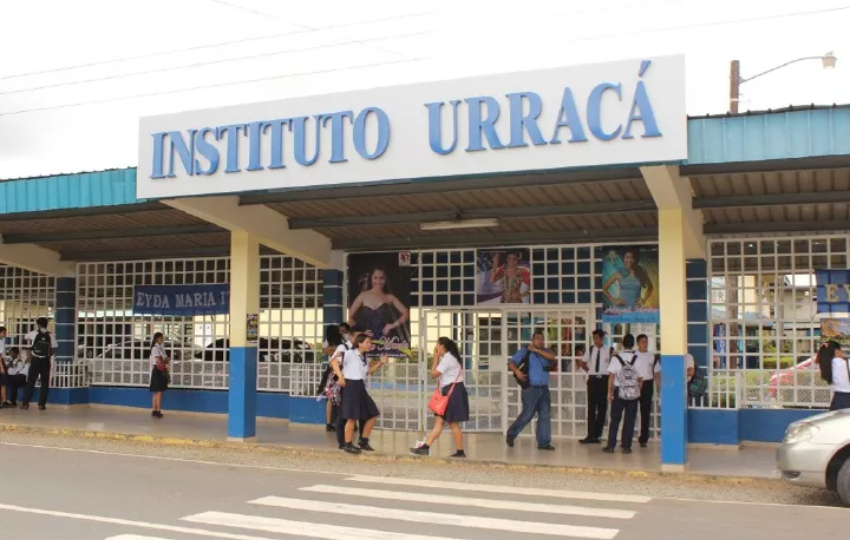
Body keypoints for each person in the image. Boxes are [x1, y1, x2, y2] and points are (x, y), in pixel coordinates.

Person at [410, 337, 469, 458]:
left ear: (442, 346)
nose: (436, 348)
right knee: (439, 422)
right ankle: (425, 447)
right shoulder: (451, 357)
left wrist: (435, 357)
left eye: (437, 345)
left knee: (453, 423)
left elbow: (433, 374)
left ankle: (460, 451)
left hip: (452, 393)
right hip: (452, 392)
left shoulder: (448, 358)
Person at [331, 334, 388, 454]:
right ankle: (347, 444)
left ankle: (363, 440)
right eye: (367, 342)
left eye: (370, 342)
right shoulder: (350, 353)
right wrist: (340, 377)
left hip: (360, 386)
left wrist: (380, 363)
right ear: (359, 343)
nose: (370, 344)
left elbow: (366, 372)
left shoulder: (364, 357)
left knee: (373, 414)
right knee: (352, 417)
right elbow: (334, 362)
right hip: (350, 386)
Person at [506, 331, 557, 451]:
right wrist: (517, 371)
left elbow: (553, 358)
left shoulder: (546, 352)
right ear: (532, 340)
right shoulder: (525, 351)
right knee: (528, 414)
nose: (540, 340)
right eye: (537, 338)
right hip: (530, 389)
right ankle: (511, 433)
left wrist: (537, 350)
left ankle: (544, 442)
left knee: (545, 415)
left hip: (544, 389)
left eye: (541, 338)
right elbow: (511, 363)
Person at [348, 266, 409, 347]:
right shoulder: (363, 296)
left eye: (381, 278)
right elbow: (349, 317)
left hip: (385, 341)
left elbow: (406, 312)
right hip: (366, 342)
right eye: (375, 278)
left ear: (386, 279)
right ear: (371, 279)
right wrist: (361, 333)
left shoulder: (389, 297)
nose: (378, 281)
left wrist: (392, 325)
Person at [604, 333, 642, 454]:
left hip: (618, 391)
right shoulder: (637, 359)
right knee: (630, 420)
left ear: (622, 343)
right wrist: (638, 390)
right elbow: (640, 379)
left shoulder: (616, 358)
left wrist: (609, 393)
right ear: (633, 344)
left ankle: (611, 446)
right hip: (633, 394)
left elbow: (611, 377)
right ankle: (626, 447)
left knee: (615, 419)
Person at [330, 326, 366, 448]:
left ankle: (360, 441)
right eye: (357, 336)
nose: (360, 339)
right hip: (345, 384)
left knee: (356, 415)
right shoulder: (343, 348)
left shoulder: (361, 353)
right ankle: (343, 443)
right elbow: (333, 361)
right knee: (343, 416)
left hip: (357, 386)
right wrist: (340, 376)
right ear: (351, 337)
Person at [578, 329, 614, 444]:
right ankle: (590, 435)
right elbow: (583, 364)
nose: (595, 340)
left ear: (602, 338)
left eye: (597, 338)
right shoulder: (590, 350)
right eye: (594, 338)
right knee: (591, 408)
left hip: (604, 380)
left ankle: (597, 434)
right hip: (593, 381)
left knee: (602, 409)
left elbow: (614, 366)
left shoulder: (609, 350)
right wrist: (591, 372)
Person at [21, 317, 57, 411]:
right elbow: (52, 351)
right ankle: (42, 404)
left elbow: (25, 337)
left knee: (31, 381)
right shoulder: (51, 335)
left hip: (35, 360)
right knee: (45, 383)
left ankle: (25, 404)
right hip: (45, 361)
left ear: (39, 325)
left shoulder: (34, 333)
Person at [634, 334, 661, 448]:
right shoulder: (633, 356)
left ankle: (643, 438)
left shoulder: (652, 356)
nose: (645, 344)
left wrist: (660, 387)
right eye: (642, 342)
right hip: (634, 385)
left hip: (647, 384)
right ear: (638, 344)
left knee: (645, 412)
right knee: (631, 411)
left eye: (646, 342)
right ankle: (627, 437)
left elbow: (656, 373)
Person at [317, 324, 344, 432]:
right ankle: (342, 420)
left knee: (330, 397)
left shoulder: (327, 341)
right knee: (342, 395)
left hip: (331, 371)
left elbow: (324, 351)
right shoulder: (342, 342)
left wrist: (331, 350)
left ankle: (329, 423)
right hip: (341, 369)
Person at [817, 341, 849, 410]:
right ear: (836, 351)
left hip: (837, 400)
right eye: (841, 350)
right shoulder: (846, 363)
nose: (842, 353)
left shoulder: (826, 366)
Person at [149, 332, 169, 418]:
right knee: (158, 392)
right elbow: (159, 360)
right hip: (158, 370)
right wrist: (164, 361)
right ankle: (156, 410)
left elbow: (165, 359)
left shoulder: (161, 348)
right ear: (157, 339)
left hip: (161, 370)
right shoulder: (155, 348)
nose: (162, 340)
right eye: (161, 338)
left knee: (158, 392)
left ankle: (155, 410)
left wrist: (165, 360)